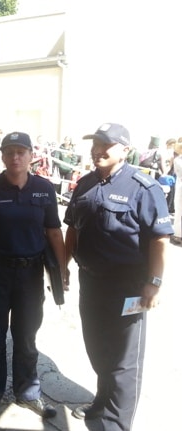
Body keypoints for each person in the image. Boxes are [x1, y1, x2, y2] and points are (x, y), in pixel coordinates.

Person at [64, 123, 173, 430]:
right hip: (91, 282)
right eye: (95, 144)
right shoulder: (85, 184)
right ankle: (102, 402)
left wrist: (154, 283)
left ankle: (116, 424)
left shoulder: (143, 188)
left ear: (125, 150)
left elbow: (159, 239)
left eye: (106, 145)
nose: (97, 150)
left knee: (125, 361)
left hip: (128, 287)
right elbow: (73, 228)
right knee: (97, 348)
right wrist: (63, 266)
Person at [0, 131, 65, 423]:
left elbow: (54, 232)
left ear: (31, 155)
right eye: (9, 152)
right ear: (2, 156)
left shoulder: (44, 189)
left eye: (21, 152)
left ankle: (28, 392)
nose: (15, 157)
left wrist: (63, 269)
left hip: (31, 275)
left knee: (27, 336)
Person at [171, 141, 182, 245]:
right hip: (180, 186)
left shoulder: (177, 160)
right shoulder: (178, 160)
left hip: (180, 186)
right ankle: (178, 234)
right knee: (179, 210)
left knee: (179, 210)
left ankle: (178, 234)